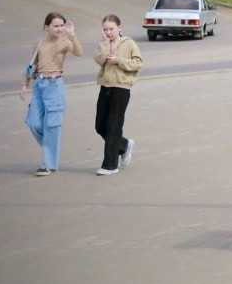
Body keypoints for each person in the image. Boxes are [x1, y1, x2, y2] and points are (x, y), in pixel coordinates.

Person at [20, 12, 83, 176]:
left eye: (61, 26)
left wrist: (72, 34)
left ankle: (48, 165)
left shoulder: (65, 42)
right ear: (46, 27)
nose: (59, 29)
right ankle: (51, 147)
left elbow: (79, 52)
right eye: (56, 26)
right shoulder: (38, 43)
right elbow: (32, 65)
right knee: (33, 122)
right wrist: (24, 84)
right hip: (39, 86)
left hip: (55, 85)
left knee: (52, 126)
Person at [92, 14, 143, 176]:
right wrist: (105, 43)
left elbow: (138, 63)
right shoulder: (104, 44)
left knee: (113, 126)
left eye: (111, 29)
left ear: (120, 27)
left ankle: (110, 165)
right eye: (105, 29)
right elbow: (98, 60)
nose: (108, 32)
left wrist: (119, 60)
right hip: (105, 87)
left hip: (121, 88)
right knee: (100, 125)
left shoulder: (129, 43)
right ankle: (124, 145)